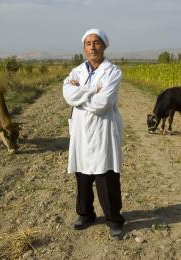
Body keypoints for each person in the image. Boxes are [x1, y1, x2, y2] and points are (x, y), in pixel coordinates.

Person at [62, 28, 125, 239]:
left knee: (105, 174)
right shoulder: (76, 72)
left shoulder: (113, 72)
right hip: (81, 130)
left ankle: (114, 219)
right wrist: (92, 90)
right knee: (82, 174)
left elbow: (104, 103)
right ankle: (86, 214)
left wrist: (80, 94)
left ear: (104, 46)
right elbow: (67, 94)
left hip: (103, 129)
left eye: (96, 43)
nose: (92, 47)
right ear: (84, 48)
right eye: (88, 43)